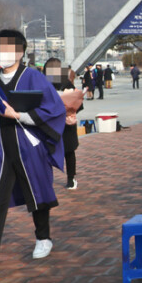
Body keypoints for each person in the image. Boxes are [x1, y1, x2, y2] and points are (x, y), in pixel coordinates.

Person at [0, 29, 66, 276]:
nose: (1, 53)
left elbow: (55, 110)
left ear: (20, 52)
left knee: (36, 191)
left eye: (7, 48)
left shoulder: (34, 78)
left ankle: (43, 237)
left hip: (29, 146)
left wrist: (19, 115)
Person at [44, 58, 83, 190]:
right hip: (59, 122)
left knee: (59, 151)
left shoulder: (55, 84)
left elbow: (79, 104)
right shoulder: (50, 84)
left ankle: (65, 179)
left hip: (57, 123)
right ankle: (69, 179)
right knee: (66, 152)